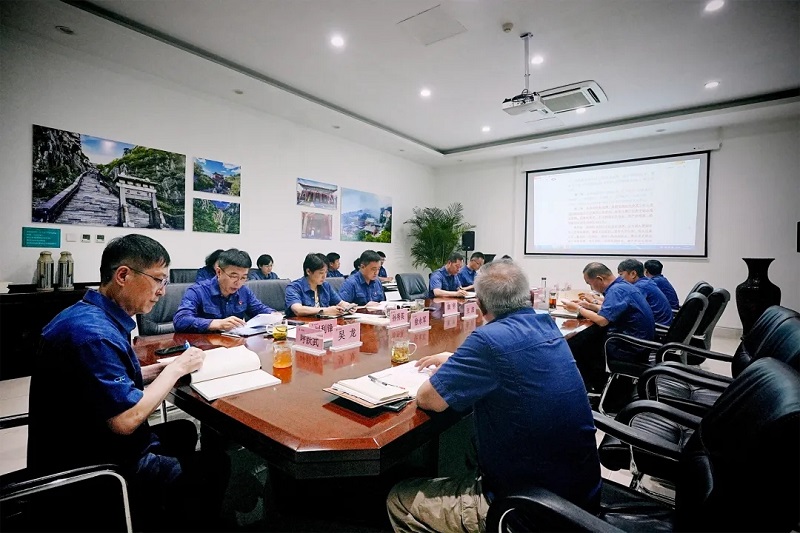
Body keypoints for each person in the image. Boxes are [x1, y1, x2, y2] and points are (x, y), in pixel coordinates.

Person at [27, 234, 230, 531]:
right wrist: (175, 370)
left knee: (184, 430)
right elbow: (125, 420)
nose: (162, 291)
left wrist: (160, 370)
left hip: (81, 437)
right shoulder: (94, 335)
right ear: (123, 275)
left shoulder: (90, 315)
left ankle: (165, 509)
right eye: (158, 280)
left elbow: (105, 381)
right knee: (216, 465)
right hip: (95, 466)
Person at [386, 260, 601, 533]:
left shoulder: (487, 340)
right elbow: (514, 362)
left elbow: (428, 399)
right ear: (529, 296)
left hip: (529, 509)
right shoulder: (546, 325)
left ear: (479, 305)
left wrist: (460, 365)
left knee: (399, 498)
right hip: (579, 494)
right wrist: (458, 362)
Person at [561, 262, 655, 392]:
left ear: (599, 279)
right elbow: (612, 310)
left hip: (629, 348)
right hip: (639, 343)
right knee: (586, 338)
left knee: (576, 343)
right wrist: (589, 306)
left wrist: (578, 309)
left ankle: (589, 388)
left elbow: (603, 320)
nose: (591, 287)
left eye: (590, 283)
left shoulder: (616, 290)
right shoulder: (622, 286)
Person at [174, 248, 278, 333]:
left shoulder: (244, 291)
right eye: (233, 276)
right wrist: (216, 323)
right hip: (205, 346)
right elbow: (180, 320)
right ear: (219, 272)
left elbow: (259, 308)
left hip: (233, 344)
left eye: (243, 278)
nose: (238, 283)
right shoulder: (198, 291)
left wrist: (274, 314)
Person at [285, 253, 355, 317]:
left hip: (323, 323)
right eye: (321, 273)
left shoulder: (325, 286)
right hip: (302, 324)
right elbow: (298, 310)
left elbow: (340, 303)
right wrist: (325, 311)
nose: (324, 276)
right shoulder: (294, 287)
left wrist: (349, 307)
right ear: (308, 271)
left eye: (326, 272)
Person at [617, 258, 673, 325]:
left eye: (621, 274)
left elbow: (624, 307)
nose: (619, 278)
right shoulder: (646, 282)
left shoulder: (640, 286)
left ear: (633, 274)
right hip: (662, 322)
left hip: (657, 325)